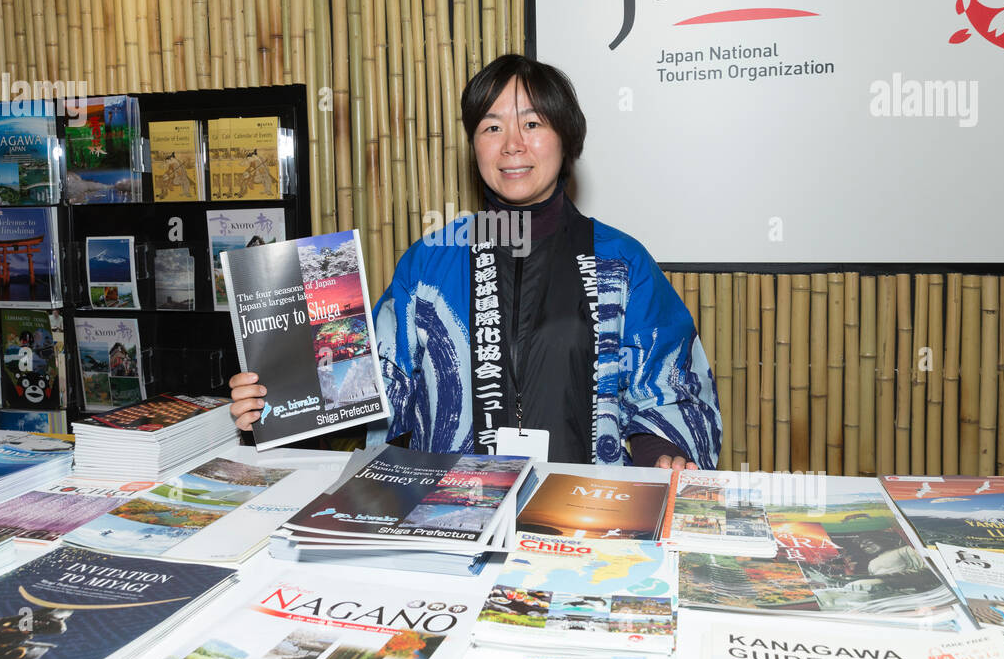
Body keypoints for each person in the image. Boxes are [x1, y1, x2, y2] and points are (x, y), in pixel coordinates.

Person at [230, 54, 722, 468]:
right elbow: (376, 387)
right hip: (453, 514)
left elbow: (670, 381)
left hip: (584, 514)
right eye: (492, 127)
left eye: (532, 123)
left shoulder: (620, 262)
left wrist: (663, 449)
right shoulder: (429, 263)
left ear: (566, 140)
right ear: (474, 145)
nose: (512, 144)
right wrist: (281, 398)